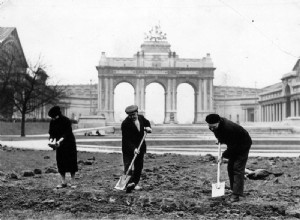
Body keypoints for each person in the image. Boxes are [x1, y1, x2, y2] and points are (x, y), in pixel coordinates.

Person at [205, 113, 252, 202]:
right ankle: (233, 189)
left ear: (218, 122)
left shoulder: (228, 128)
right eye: (210, 126)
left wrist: (223, 156)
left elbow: (233, 147)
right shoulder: (216, 126)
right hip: (234, 143)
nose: (211, 129)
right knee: (230, 167)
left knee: (237, 168)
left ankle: (236, 195)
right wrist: (220, 139)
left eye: (213, 126)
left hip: (243, 144)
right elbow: (219, 133)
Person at [121, 105, 152, 193]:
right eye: (130, 115)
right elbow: (126, 139)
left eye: (134, 115)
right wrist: (133, 149)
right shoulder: (125, 123)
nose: (132, 117)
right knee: (128, 166)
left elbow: (147, 123)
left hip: (140, 147)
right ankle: (128, 184)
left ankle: (134, 183)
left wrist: (148, 127)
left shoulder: (141, 118)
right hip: (128, 149)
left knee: (139, 167)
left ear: (137, 113)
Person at [48, 106, 78, 189]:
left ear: (58, 115)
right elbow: (51, 133)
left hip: (69, 143)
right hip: (59, 145)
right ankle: (63, 182)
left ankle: (73, 182)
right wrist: (51, 141)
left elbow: (66, 133)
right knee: (60, 162)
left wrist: (59, 141)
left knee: (71, 162)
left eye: (54, 117)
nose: (53, 118)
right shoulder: (52, 122)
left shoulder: (66, 120)